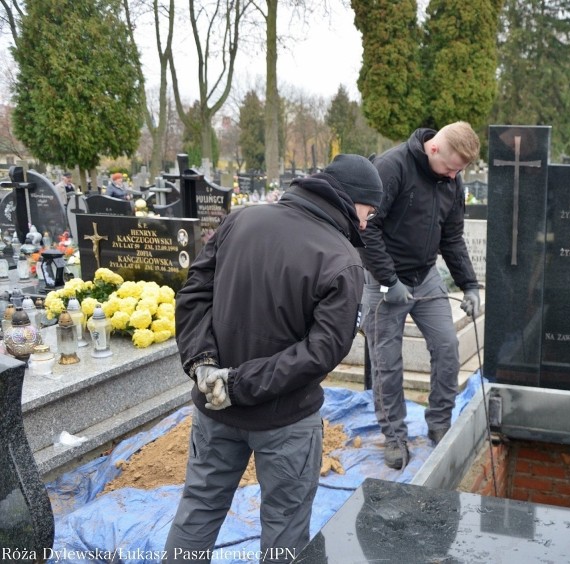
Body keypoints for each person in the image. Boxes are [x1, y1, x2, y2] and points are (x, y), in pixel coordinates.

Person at [162, 154, 384, 561]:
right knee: (284, 530)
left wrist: (205, 367)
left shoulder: (241, 220)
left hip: (215, 410)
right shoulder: (342, 260)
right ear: (351, 200)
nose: (367, 224)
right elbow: (323, 352)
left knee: (198, 512)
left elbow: (191, 296)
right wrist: (224, 377)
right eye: (369, 212)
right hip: (286, 421)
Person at [360, 121, 481, 470]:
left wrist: (469, 284)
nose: (452, 176)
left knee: (447, 346)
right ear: (433, 149)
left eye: (459, 171)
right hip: (384, 279)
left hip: (425, 276)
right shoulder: (391, 167)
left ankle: (440, 421)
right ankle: (395, 436)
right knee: (387, 362)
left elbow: (453, 236)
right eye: (450, 167)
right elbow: (368, 230)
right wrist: (388, 280)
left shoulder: (452, 180)